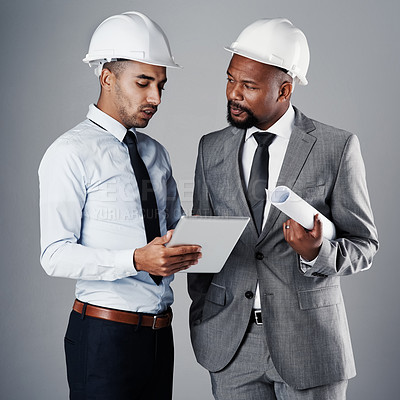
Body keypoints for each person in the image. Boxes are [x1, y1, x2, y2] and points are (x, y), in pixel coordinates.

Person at [188, 18, 378, 400]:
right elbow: (202, 252)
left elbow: (364, 245)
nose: (233, 94)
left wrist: (316, 253)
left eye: (249, 86)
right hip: (231, 349)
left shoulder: (335, 147)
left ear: (285, 89)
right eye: (230, 80)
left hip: (310, 345)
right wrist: (204, 317)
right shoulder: (211, 148)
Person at [39, 11, 201, 400]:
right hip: (103, 338)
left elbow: (174, 230)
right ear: (107, 78)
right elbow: (54, 256)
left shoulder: (155, 153)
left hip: (161, 336)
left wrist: (194, 241)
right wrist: (135, 261)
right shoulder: (69, 153)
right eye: (143, 83)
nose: (155, 98)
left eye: (161, 85)